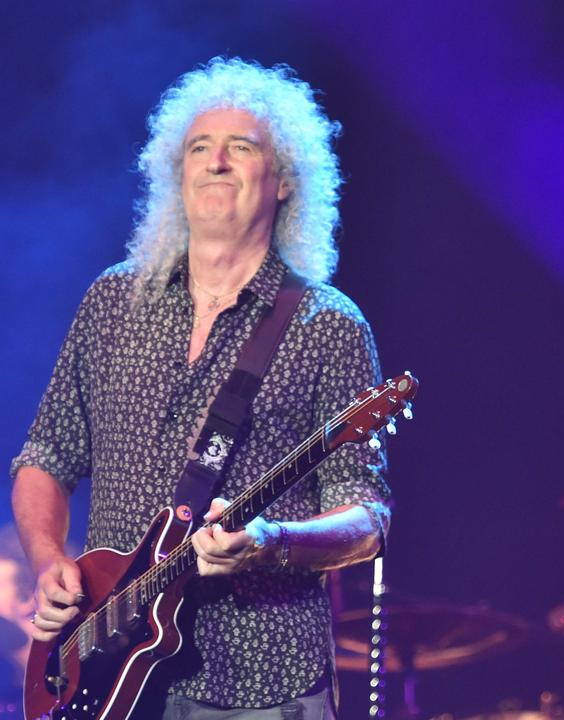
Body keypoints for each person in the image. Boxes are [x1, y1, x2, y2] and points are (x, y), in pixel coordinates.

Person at [10, 57, 391, 719]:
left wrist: (272, 540)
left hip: (261, 680)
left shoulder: (326, 323)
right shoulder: (112, 301)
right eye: (198, 149)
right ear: (175, 174)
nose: (215, 162)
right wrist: (49, 562)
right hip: (100, 672)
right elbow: (45, 456)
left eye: (241, 148)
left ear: (284, 183)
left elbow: (367, 519)